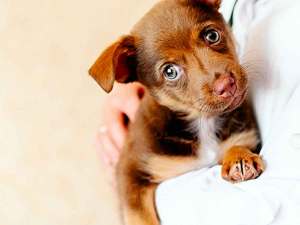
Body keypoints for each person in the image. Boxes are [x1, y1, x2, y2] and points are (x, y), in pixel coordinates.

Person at [96, 0, 300, 224]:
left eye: (212, 36)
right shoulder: (152, 142)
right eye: (171, 71)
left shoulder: (240, 118)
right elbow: (132, 181)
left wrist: (237, 153)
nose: (220, 80)